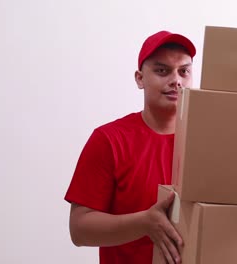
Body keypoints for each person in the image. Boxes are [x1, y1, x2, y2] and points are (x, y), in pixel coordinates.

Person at [64, 30, 197, 264]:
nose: (176, 80)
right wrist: (144, 223)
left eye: (184, 71)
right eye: (162, 70)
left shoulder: (208, 142)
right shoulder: (109, 140)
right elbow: (79, 229)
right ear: (139, 78)